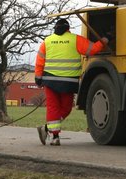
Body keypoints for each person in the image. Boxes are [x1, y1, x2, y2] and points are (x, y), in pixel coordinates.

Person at [34, 18, 109, 146]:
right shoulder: (75, 39)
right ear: (68, 28)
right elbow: (93, 50)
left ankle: (47, 130)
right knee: (66, 108)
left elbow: (40, 60)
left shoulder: (47, 41)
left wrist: (38, 77)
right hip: (68, 82)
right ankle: (55, 137)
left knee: (53, 108)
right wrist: (104, 40)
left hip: (50, 81)